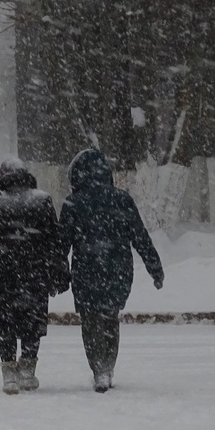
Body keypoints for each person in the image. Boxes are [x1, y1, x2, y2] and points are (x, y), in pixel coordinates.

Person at [59, 149, 164, 393]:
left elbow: (61, 244)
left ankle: (99, 369)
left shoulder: (73, 203)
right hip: (117, 269)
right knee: (109, 318)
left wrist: (56, 273)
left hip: (86, 269)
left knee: (90, 320)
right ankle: (107, 365)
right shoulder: (122, 200)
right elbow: (140, 237)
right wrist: (154, 268)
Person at [0, 158, 68, 394]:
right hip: (34, 272)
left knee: (5, 323)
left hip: (1, 273)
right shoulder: (41, 201)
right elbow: (54, 240)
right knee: (31, 322)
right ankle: (28, 370)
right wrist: (59, 271)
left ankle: (9, 374)